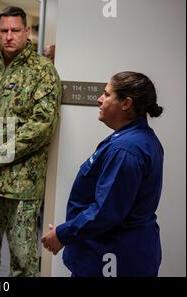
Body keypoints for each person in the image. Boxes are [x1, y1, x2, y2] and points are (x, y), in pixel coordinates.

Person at [0, 6, 61, 277]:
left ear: (27, 32)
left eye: (15, 30)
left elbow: (42, 124)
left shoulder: (43, 72)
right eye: (4, 30)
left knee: (23, 258)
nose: (9, 36)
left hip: (21, 186)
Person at [41, 71, 164, 277]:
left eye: (106, 95)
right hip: (113, 251)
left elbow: (105, 212)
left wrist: (63, 234)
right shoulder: (135, 139)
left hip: (113, 257)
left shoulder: (125, 150)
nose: (99, 99)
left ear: (126, 104)